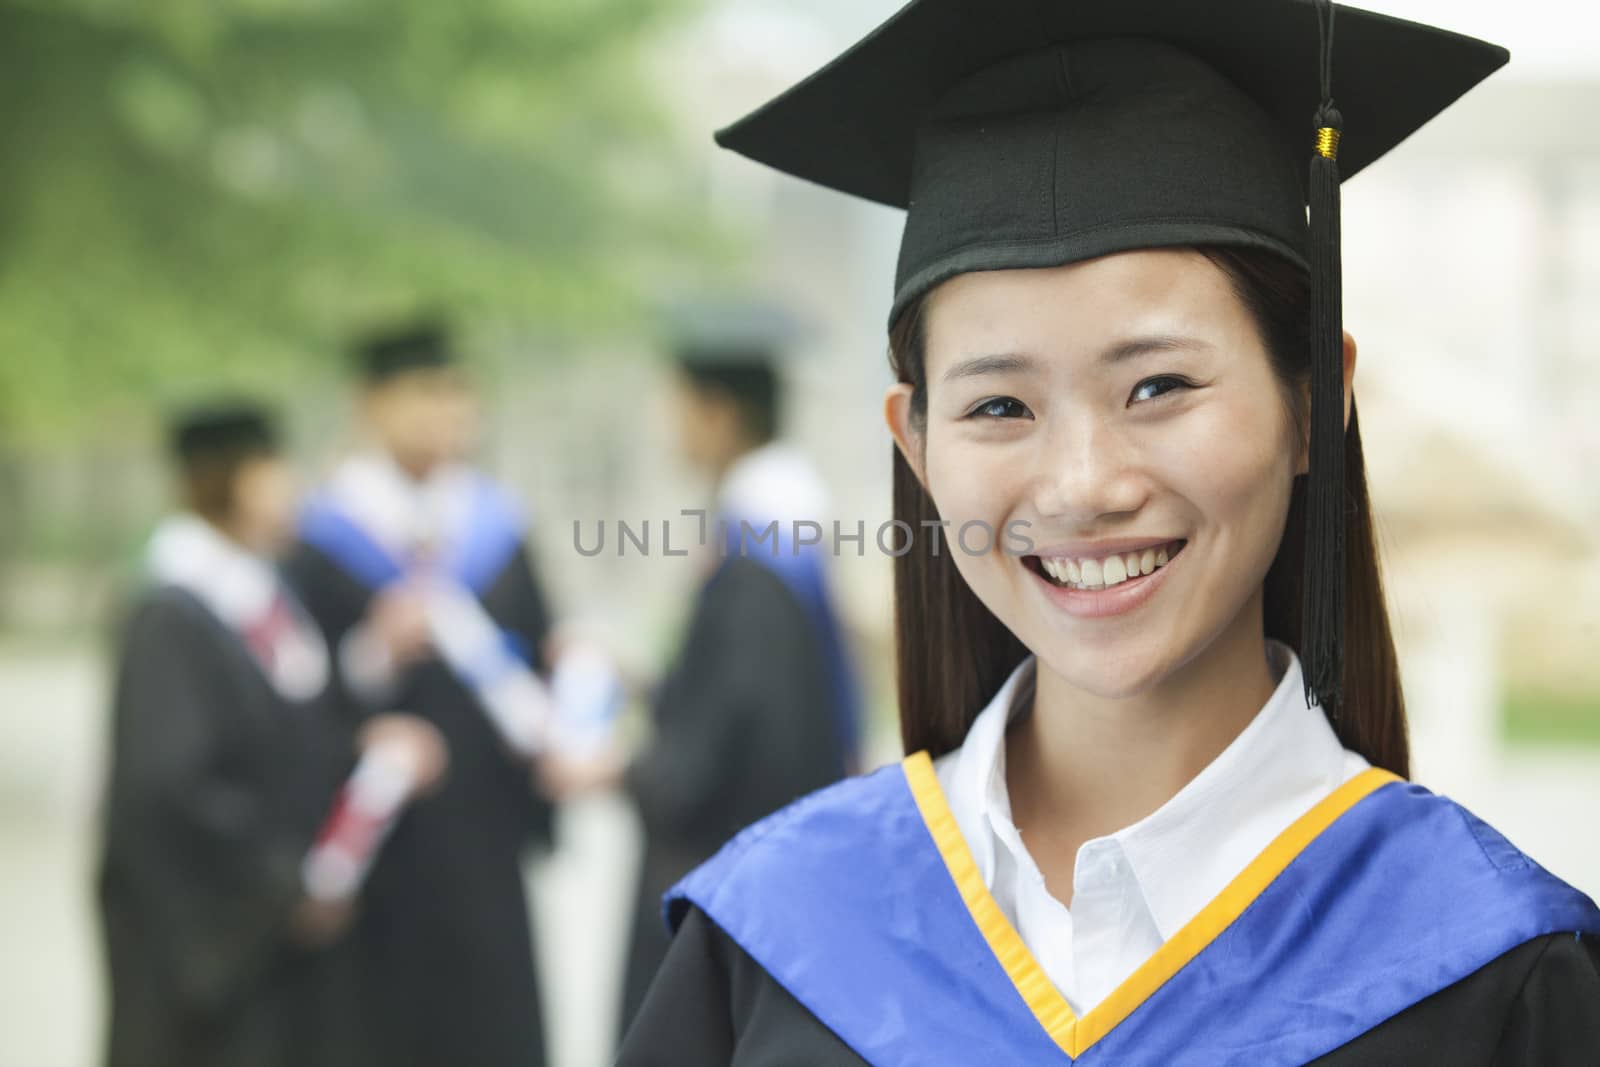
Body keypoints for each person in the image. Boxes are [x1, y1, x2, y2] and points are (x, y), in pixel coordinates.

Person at [617, 1, 1600, 1063]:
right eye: (1000, 406)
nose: (1083, 485)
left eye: (1158, 385)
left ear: (1315, 402)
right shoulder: (774, 934)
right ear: (915, 441)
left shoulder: (1494, 968)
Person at [544, 301, 862, 1038]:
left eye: (679, 405)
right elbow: (750, 695)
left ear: (718, 413)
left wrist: (619, 768)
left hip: (728, 872)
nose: (672, 425)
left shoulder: (759, 547)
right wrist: (646, 682)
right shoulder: (785, 526)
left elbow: (725, 740)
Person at [98, 403, 444, 1067]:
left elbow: (288, 732)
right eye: (277, 470)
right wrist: (281, 888)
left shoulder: (259, 590)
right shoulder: (170, 611)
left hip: (283, 937)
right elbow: (170, 787)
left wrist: (364, 748)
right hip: (219, 942)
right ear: (234, 479)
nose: (296, 488)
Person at [282, 321, 559, 1067]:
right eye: (424, 393)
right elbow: (287, 689)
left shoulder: (496, 525)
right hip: (381, 846)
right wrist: (371, 652)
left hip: (481, 832)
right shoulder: (318, 537)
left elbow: (539, 651)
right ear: (369, 404)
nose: (446, 412)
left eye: (456, 393)